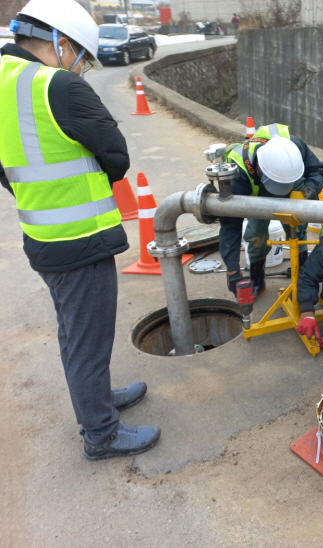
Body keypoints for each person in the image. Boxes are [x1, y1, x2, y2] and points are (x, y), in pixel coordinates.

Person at [0, 0, 160, 460]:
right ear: (60, 43)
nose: (82, 68)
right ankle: (101, 433)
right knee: (89, 338)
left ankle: (96, 402)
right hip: (80, 240)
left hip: (42, 239)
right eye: (83, 59)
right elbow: (116, 154)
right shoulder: (59, 86)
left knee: (74, 333)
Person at [220, 124, 323, 298]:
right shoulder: (239, 173)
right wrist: (232, 270)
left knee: (297, 228)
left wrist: (311, 188)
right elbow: (230, 224)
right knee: (256, 233)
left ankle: (301, 281)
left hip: (295, 183)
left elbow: (317, 169)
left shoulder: (293, 147)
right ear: (260, 167)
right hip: (256, 190)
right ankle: (257, 281)